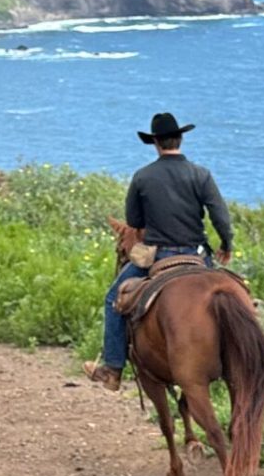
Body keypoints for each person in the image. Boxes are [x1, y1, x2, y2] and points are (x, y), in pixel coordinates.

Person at [88, 111, 233, 390]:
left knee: (112, 300)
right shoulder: (201, 175)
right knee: (231, 298)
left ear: (156, 143)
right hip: (197, 255)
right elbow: (220, 216)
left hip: (159, 256)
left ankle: (113, 369)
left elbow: (134, 222)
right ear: (180, 139)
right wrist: (226, 243)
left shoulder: (143, 177)